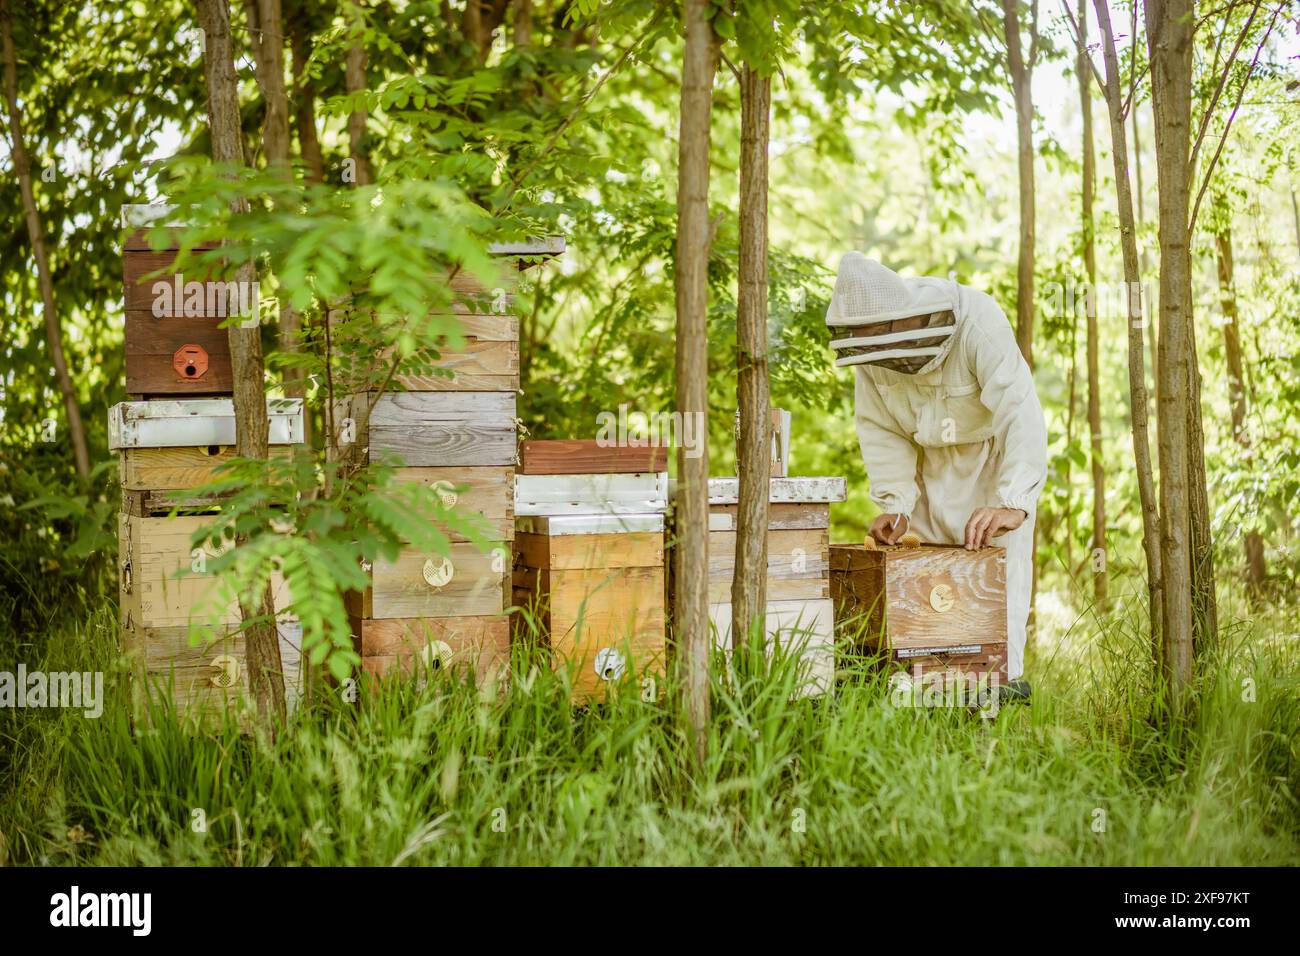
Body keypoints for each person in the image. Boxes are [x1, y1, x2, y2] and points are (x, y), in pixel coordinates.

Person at [827, 253, 1047, 700]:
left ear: (897, 321)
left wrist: (1013, 501)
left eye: (874, 335)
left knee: (993, 595)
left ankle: (992, 705)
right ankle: (923, 703)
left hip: (991, 470)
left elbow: (1020, 410)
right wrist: (897, 505)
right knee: (924, 594)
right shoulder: (870, 355)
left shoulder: (978, 320)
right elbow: (881, 430)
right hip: (925, 476)